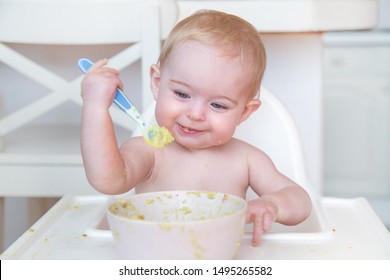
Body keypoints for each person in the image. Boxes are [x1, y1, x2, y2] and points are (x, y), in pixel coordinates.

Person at [80, 9, 312, 246]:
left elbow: (301, 201)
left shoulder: (247, 159)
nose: (195, 114)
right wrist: (96, 107)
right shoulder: (149, 151)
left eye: (218, 105)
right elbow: (107, 180)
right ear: (158, 84)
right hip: (157, 257)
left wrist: (273, 205)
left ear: (244, 112)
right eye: (182, 94)